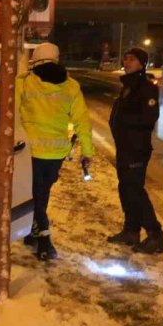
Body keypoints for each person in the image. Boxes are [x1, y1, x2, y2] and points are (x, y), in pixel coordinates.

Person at [18, 42, 94, 261]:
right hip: (55, 155)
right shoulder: (71, 86)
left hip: (31, 152)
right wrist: (87, 151)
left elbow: (7, 109)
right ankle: (34, 233)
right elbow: (83, 122)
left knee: (36, 196)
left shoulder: (25, 83)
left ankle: (45, 240)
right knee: (42, 194)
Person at [107, 47, 163, 254]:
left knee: (135, 191)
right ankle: (131, 231)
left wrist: (124, 122)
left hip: (136, 149)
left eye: (132, 59)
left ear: (141, 64)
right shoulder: (129, 86)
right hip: (125, 147)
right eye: (126, 58)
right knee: (126, 189)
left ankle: (155, 235)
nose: (127, 61)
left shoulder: (146, 87)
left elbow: (149, 117)